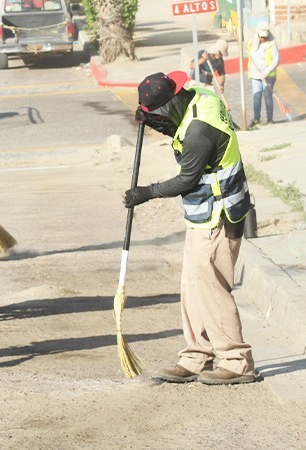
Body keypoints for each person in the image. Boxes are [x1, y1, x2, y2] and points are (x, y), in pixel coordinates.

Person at [125, 71, 257, 385]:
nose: (158, 119)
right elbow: (177, 122)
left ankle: (237, 362)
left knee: (212, 289)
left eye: (159, 113)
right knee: (192, 287)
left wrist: (146, 193)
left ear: (172, 101)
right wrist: (153, 120)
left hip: (219, 217)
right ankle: (197, 355)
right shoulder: (197, 96)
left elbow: (186, 179)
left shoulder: (199, 131)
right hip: (203, 215)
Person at [247, 22, 280, 128]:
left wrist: (267, 71)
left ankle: (270, 119)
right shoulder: (252, 43)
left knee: (267, 96)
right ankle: (256, 119)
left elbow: (276, 59)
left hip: (268, 76)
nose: (263, 39)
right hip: (255, 75)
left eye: (265, 37)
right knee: (256, 96)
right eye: (261, 37)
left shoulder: (271, 43)